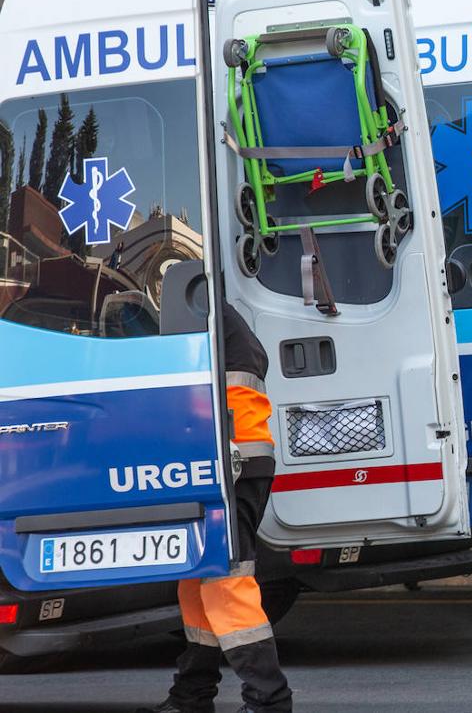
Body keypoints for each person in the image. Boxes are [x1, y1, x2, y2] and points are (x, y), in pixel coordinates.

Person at [141, 304, 292, 713]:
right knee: (199, 581)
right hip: (232, 461)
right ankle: (192, 695)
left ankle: (269, 699)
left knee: (226, 581)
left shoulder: (193, 314)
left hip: (230, 464)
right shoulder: (213, 313)